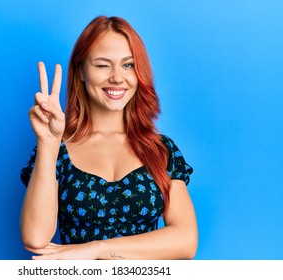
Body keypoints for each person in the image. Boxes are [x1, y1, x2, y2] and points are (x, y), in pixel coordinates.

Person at [20, 16, 198, 260]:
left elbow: (186, 241)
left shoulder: (161, 150)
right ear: (81, 71)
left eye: (128, 65)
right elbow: (35, 238)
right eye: (103, 65)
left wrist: (97, 249)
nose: (117, 77)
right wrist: (49, 143)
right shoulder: (57, 151)